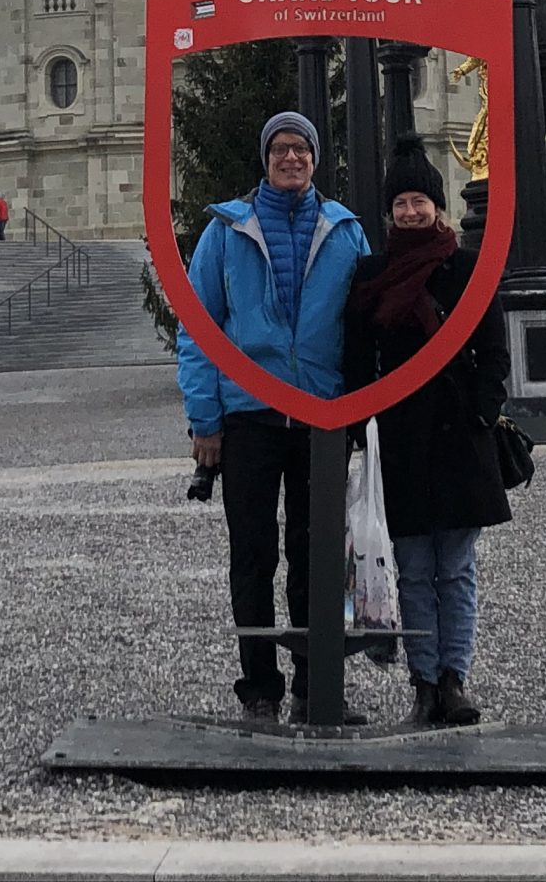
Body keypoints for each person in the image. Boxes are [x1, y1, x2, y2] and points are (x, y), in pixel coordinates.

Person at [176, 110, 371, 722]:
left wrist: (364, 412)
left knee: (317, 558)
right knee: (254, 555)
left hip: (321, 415)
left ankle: (316, 685)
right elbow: (198, 329)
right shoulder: (226, 232)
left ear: (315, 160)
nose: (291, 159)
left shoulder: (345, 231)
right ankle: (259, 685)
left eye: (302, 150)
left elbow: (364, 328)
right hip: (251, 416)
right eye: (281, 149)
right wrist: (205, 419)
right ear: (266, 159)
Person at [340, 136, 509, 728]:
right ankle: (424, 681)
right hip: (401, 434)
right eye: (401, 203)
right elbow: (357, 356)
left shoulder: (467, 267)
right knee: (411, 566)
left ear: (437, 206)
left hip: (459, 432)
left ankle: (455, 678)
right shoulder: (372, 273)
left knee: (457, 566)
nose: (411, 212)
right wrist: (363, 425)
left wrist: (484, 412)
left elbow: (493, 350)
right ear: (390, 213)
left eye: (419, 201)